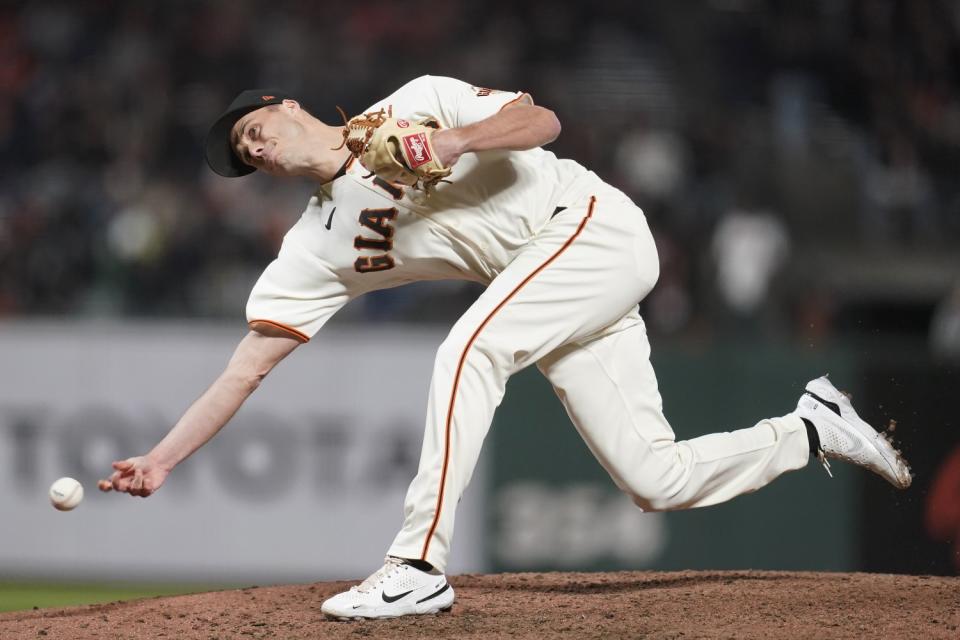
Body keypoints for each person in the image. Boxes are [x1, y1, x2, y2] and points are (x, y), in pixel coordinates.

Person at [99, 76, 912, 620]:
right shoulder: (315, 246)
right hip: (556, 288)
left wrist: (456, 141)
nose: (256, 148)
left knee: (465, 350)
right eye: (245, 154)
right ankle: (812, 428)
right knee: (654, 478)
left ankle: (416, 566)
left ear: (283, 103)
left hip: (588, 225)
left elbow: (542, 121)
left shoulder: (413, 101)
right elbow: (249, 364)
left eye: (253, 128)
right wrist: (166, 460)